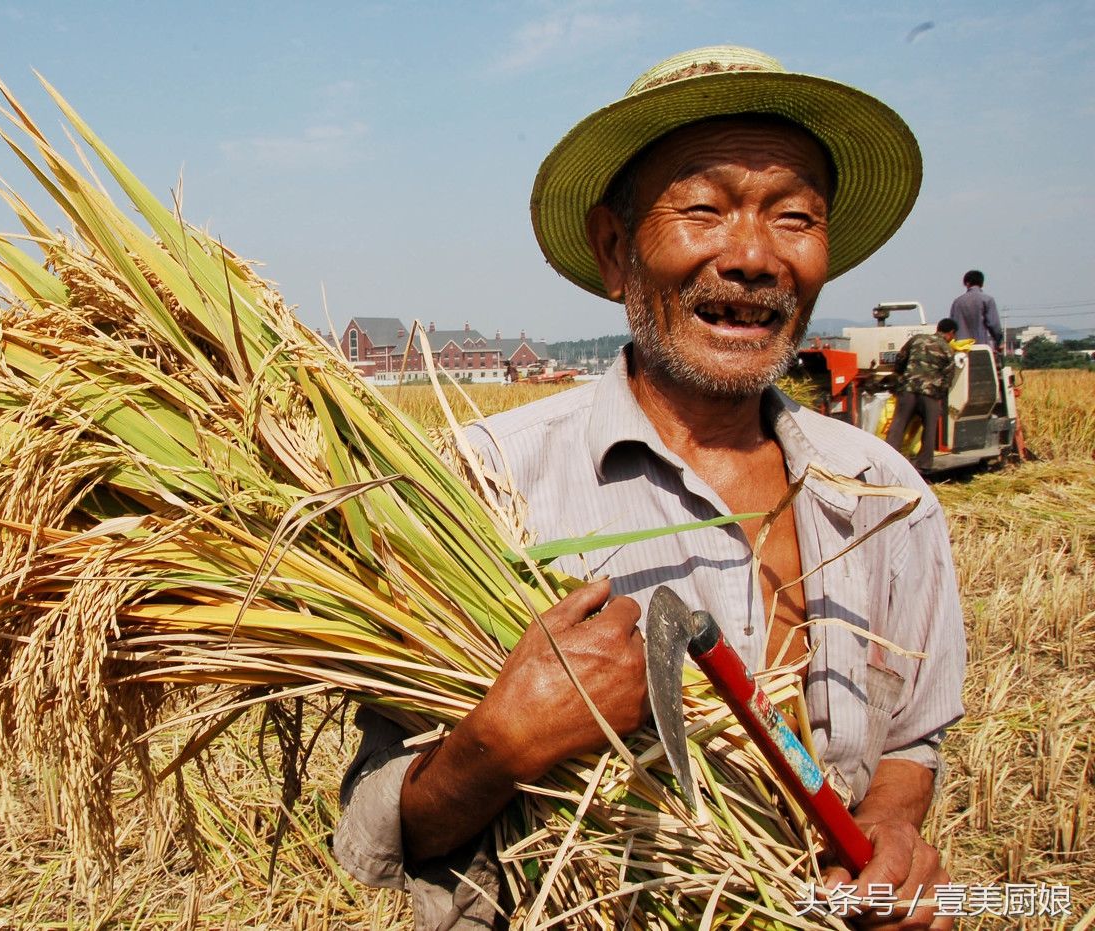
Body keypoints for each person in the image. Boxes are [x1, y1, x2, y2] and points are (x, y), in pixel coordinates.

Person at [335, 46, 965, 931]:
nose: (752, 255)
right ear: (613, 249)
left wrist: (891, 829)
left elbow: (912, 738)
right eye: (703, 208)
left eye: (794, 217)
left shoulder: (884, 496)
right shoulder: (480, 488)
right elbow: (376, 824)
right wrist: (495, 746)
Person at [885, 319, 960, 474]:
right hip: (930, 393)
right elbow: (948, 377)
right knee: (930, 428)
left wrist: (901, 374)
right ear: (951, 333)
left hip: (908, 389)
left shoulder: (917, 339)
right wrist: (939, 395)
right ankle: (923, 465)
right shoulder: (947, 350)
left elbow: (900, 357)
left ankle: (887, 461)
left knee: (898, 425)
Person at [950, 270, 1003, 351]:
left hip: (961, 349)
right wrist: (999, 343)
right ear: (982, 283)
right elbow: (994, 325)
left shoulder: (957, 302)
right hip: (981, 348)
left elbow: (951, 327)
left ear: (966, 283)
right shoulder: (987, 300)